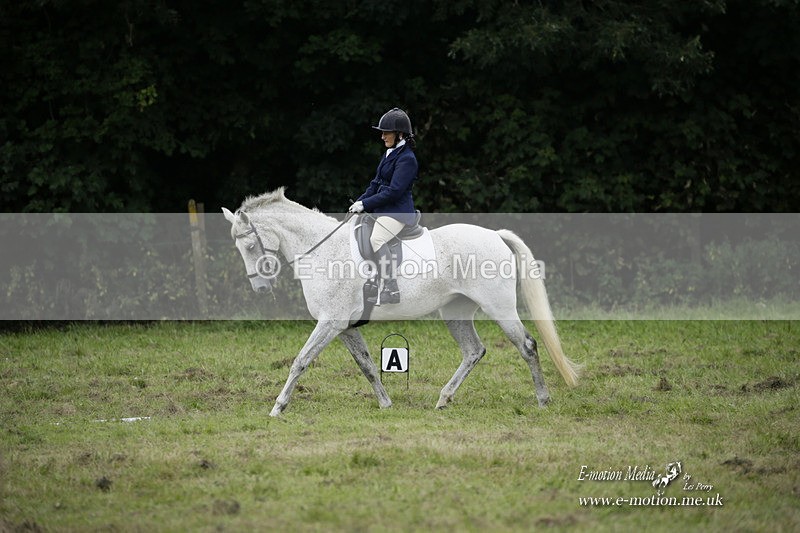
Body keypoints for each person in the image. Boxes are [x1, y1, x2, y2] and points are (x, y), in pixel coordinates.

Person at [348, 107, 418, 305]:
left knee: (377, 238)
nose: (382, 136)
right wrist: (359, 202)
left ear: (400, 134)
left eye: (386, 132)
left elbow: (394, 191)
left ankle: (390, 287)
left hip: (398, 212)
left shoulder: (407, 159)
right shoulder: (390, 153)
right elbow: (375, 184)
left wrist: (366, 204)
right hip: (384, 210)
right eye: (382, 132)